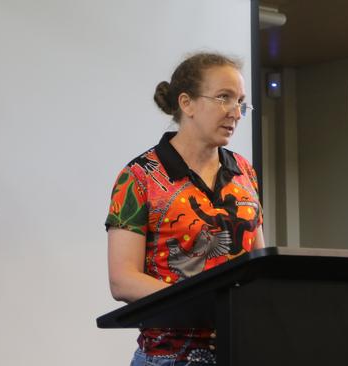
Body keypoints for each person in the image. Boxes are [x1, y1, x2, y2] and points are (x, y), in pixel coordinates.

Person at [105, 52, 265, 366]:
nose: (236, 112)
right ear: (186, 103)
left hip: (240, 352)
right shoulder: (139, 177)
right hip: (168, 359)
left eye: (241, 101)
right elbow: (122, 280)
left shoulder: (245, 173)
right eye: (223, 98)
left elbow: (256, 266)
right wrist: (212, 306)